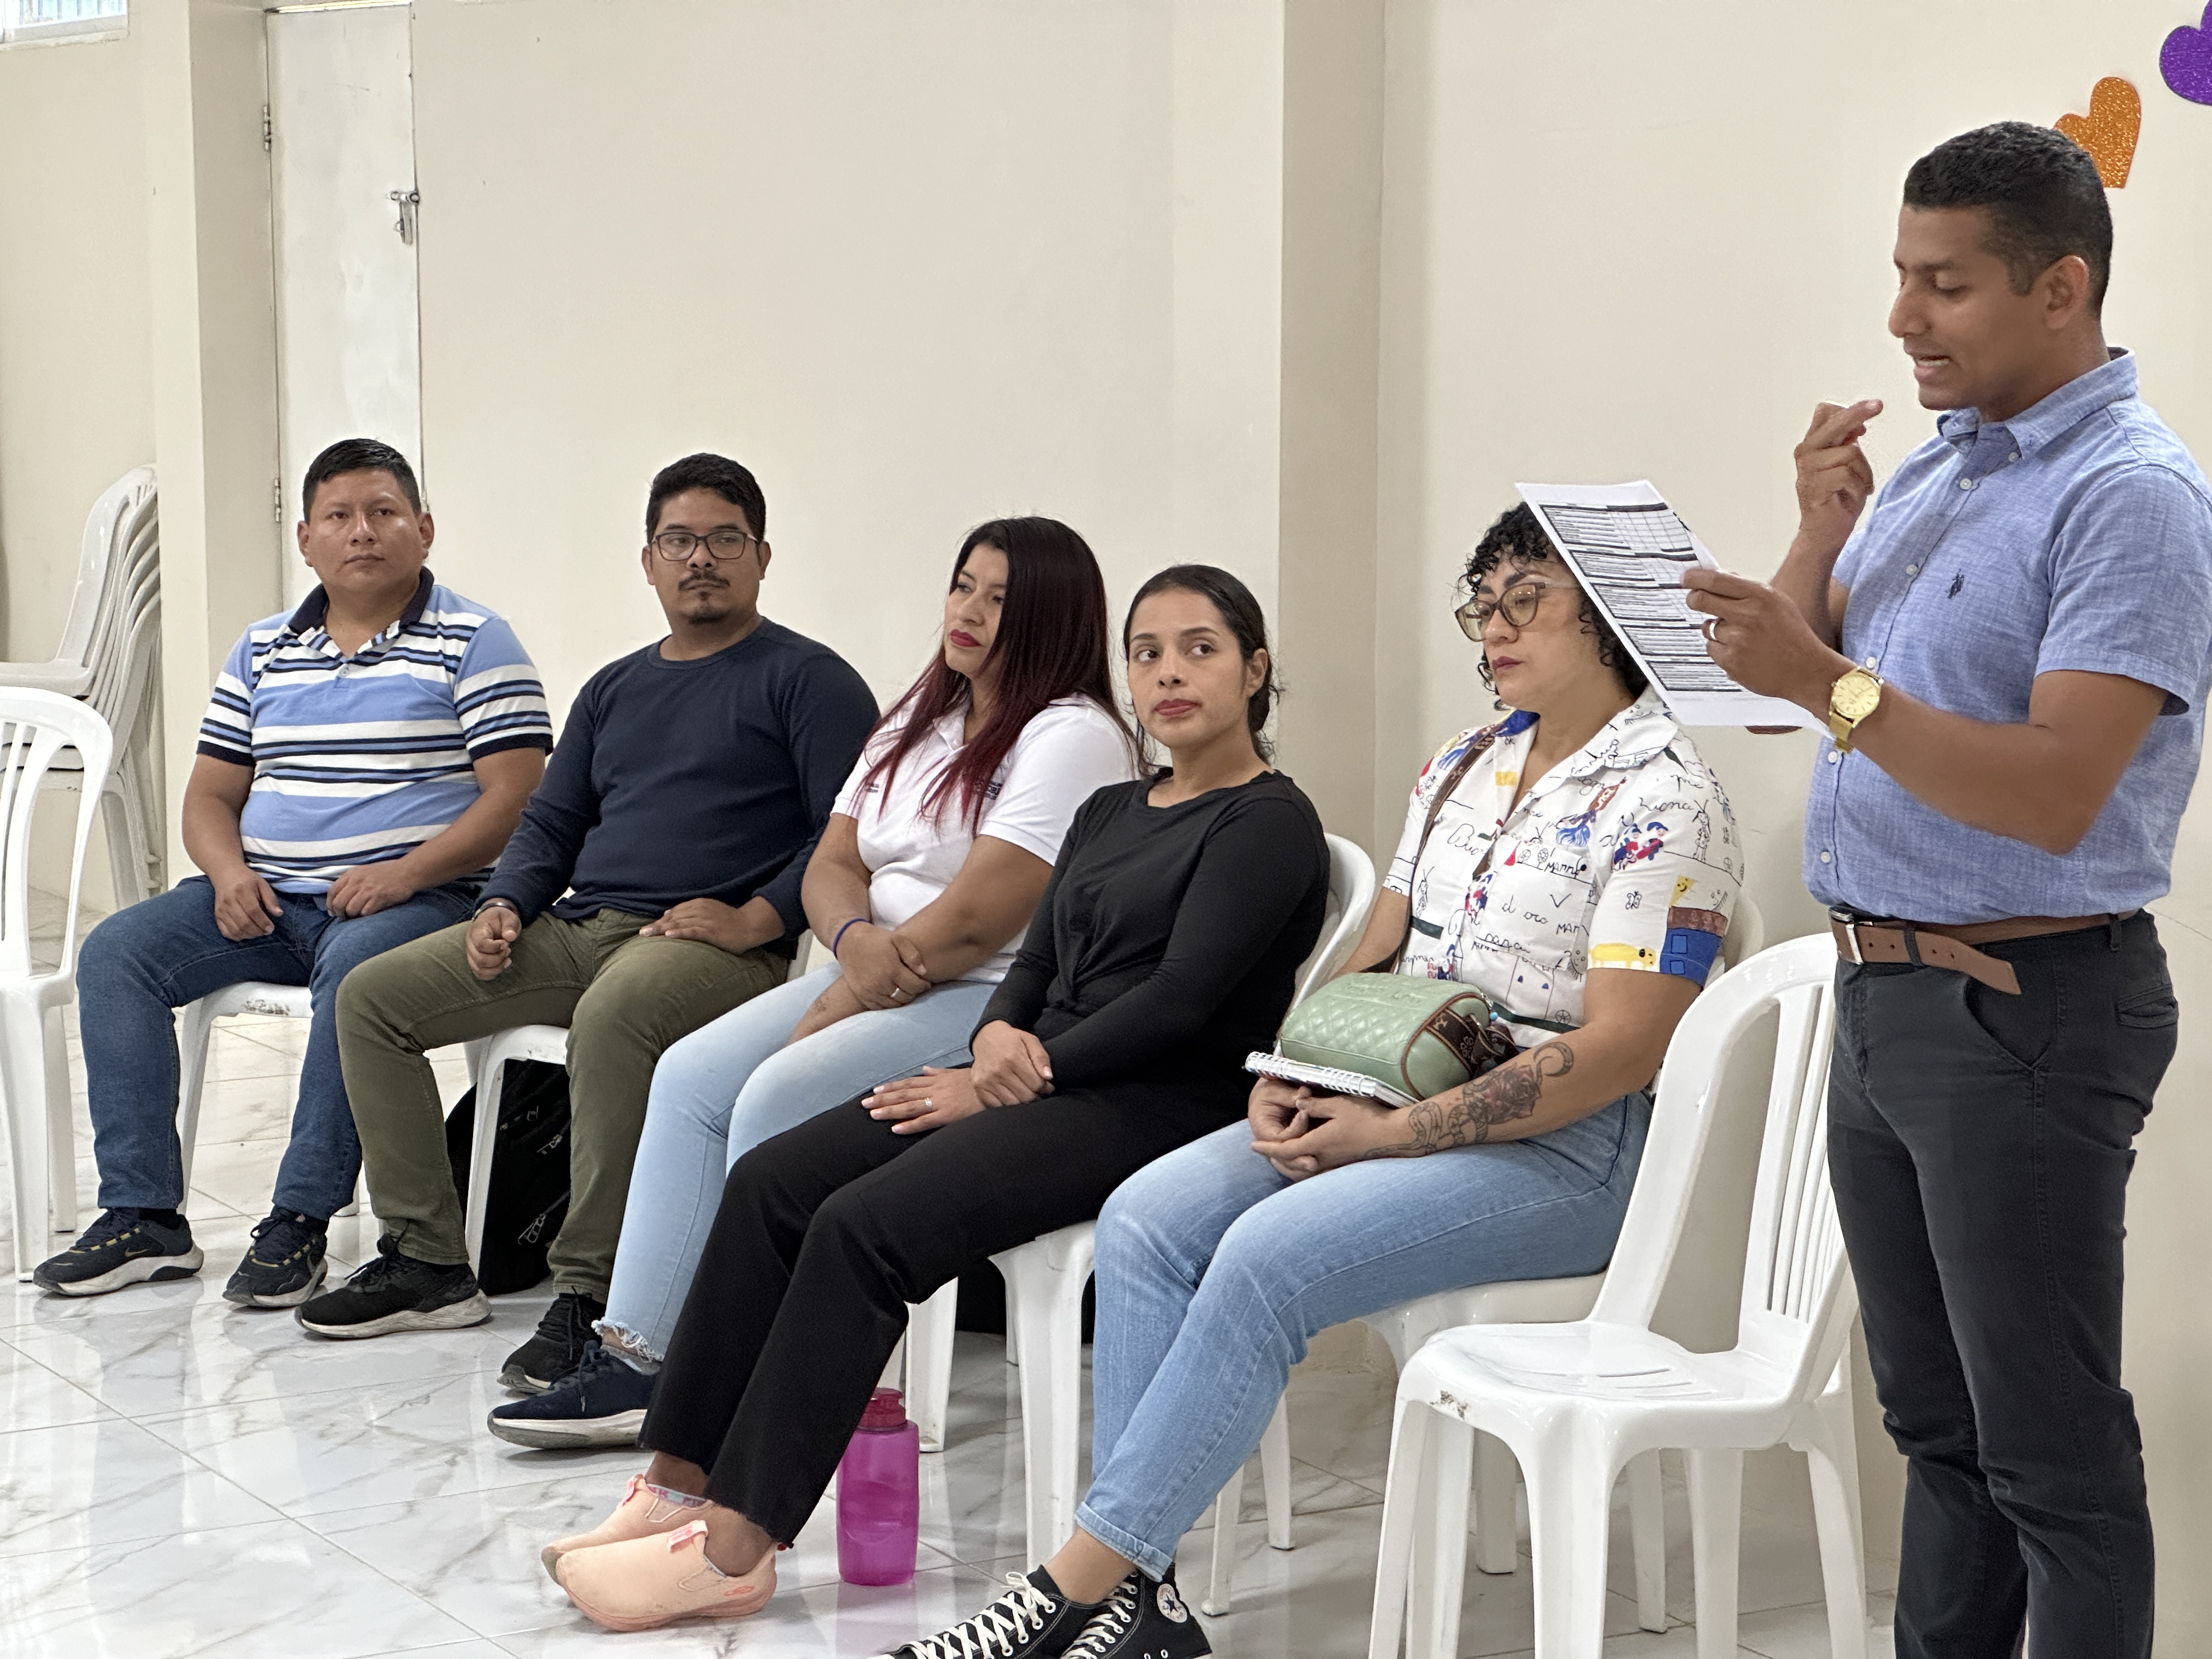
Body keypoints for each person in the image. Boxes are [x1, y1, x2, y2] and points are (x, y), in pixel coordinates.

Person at [886, 504, 1741, 1659]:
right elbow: (1373, 950)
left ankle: (1073, 1590)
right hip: (1392, 1097)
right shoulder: (1463, 766)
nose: (1493, 629)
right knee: (1146, 1218)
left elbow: (1625, 1052)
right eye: (1482, 605)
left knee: (1264, 1259)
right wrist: (1287, 1073)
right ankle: (1145, 1607)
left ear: (1606, 616)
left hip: (1566, 1147)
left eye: (1525, 603)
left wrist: (1392, 1136)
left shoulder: (1669, 798)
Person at [536, 565, 1330, 1636]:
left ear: (1256, 669)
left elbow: (1183, 1001)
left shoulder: (1268, 821)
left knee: (865, 1228)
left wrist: (1013, 1076)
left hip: (1154, 1100)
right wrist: (998, 1035)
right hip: (1033, 1070)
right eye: (1146, 653)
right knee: (773, 1179)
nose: (1169, 674)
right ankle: (678, 1484)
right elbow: (1037, 960)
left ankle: (734, 1549)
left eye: (1201, 649)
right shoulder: (1110, 809)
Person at [1684, 123, 2212, 1659]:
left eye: (1946, 284)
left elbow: (2055, 790)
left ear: (2062, 288)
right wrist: (1819, 534)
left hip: (2023, 1008)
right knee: (1938, 1434)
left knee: (2051, 1458)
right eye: (1901, 276)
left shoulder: (2132, 497)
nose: (1903, 317)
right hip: (1887, 997)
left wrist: (1827, 682)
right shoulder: (1942, 463)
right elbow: (1789, 679)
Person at [487, 516, 1136, 1448]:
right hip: (873, 964)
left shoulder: (1071, 734)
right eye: (963, 586)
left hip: (985, 998)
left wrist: (850, 987)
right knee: (690, 1077)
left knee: (773, 1100)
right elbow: (832, 862)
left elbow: (980, 919)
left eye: (1002, 599)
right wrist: (855, 943)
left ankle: (732, 1380)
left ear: (1055, 618)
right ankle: (636, 1362)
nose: (970, 611)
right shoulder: (923, 718)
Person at [296, 453, 878, 1396]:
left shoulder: (810, 681)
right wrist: (503, 904)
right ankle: (429, 1261)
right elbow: (552, 823)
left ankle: (593, 1293)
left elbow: (844, 836)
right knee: (371, 998)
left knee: (614, 1017)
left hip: (708, 945)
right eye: (678, 541)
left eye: (723, 540)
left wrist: (755, 917)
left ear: (763, 556)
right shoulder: (614, 688)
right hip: (578, 928)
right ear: (647, 561)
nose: (700, 559)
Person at [32, 439, 552, 1307]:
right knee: (118, 951)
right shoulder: (264, 647)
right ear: (306, 540)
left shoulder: (475, 640)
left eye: (383, 513)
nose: (362, 532)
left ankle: (300, 1221)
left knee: (358, 973)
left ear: (423, 530)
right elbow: (209, 796)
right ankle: (143, 1215)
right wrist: (228, 873)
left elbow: (517, 797)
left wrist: (404, 873)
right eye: (339, 517)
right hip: (271, 901)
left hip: (423, 901)